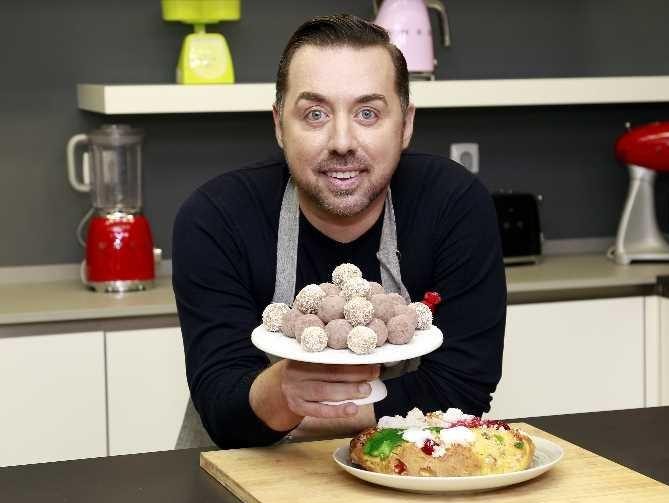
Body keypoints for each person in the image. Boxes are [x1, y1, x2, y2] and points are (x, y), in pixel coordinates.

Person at [172, 14, 506, 449]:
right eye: (315, 114)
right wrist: (286, 391)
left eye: (368, 113)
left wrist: (311, 412)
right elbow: (224, 407)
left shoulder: (453, 205)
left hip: (408, 474)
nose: (342, 141)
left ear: (405, 125)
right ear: (278, 125)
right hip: (244, 480)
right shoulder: (216, 218)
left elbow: (462, 387)